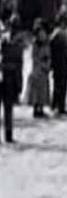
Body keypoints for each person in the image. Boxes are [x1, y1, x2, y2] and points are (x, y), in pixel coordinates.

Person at [0, 14, 24, 142]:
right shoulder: (15, 42)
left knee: (8, 109)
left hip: (8, 76)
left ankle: (8, 135)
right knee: (8, 109)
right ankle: (8, 135)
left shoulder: (12, 41)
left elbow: (19, 64)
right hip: (8, 76)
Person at [50, 11, 67, 116]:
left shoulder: (63, 33)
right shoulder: (57, 33)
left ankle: (59, 106)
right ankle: (57, 106)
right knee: (59, 86)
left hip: (64, 63)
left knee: (62, 85)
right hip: (59, 63)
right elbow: (52, 48)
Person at [29, 19, 51, 118]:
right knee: (37, 91)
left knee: (43, 91)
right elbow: (35, 57)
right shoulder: (35, 44)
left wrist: (47, 64)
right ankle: (36, 109)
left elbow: (48, 55)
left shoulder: (46, 43)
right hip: (38, 69)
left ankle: (41, 109)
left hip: (44, 69)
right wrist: (42, 65)